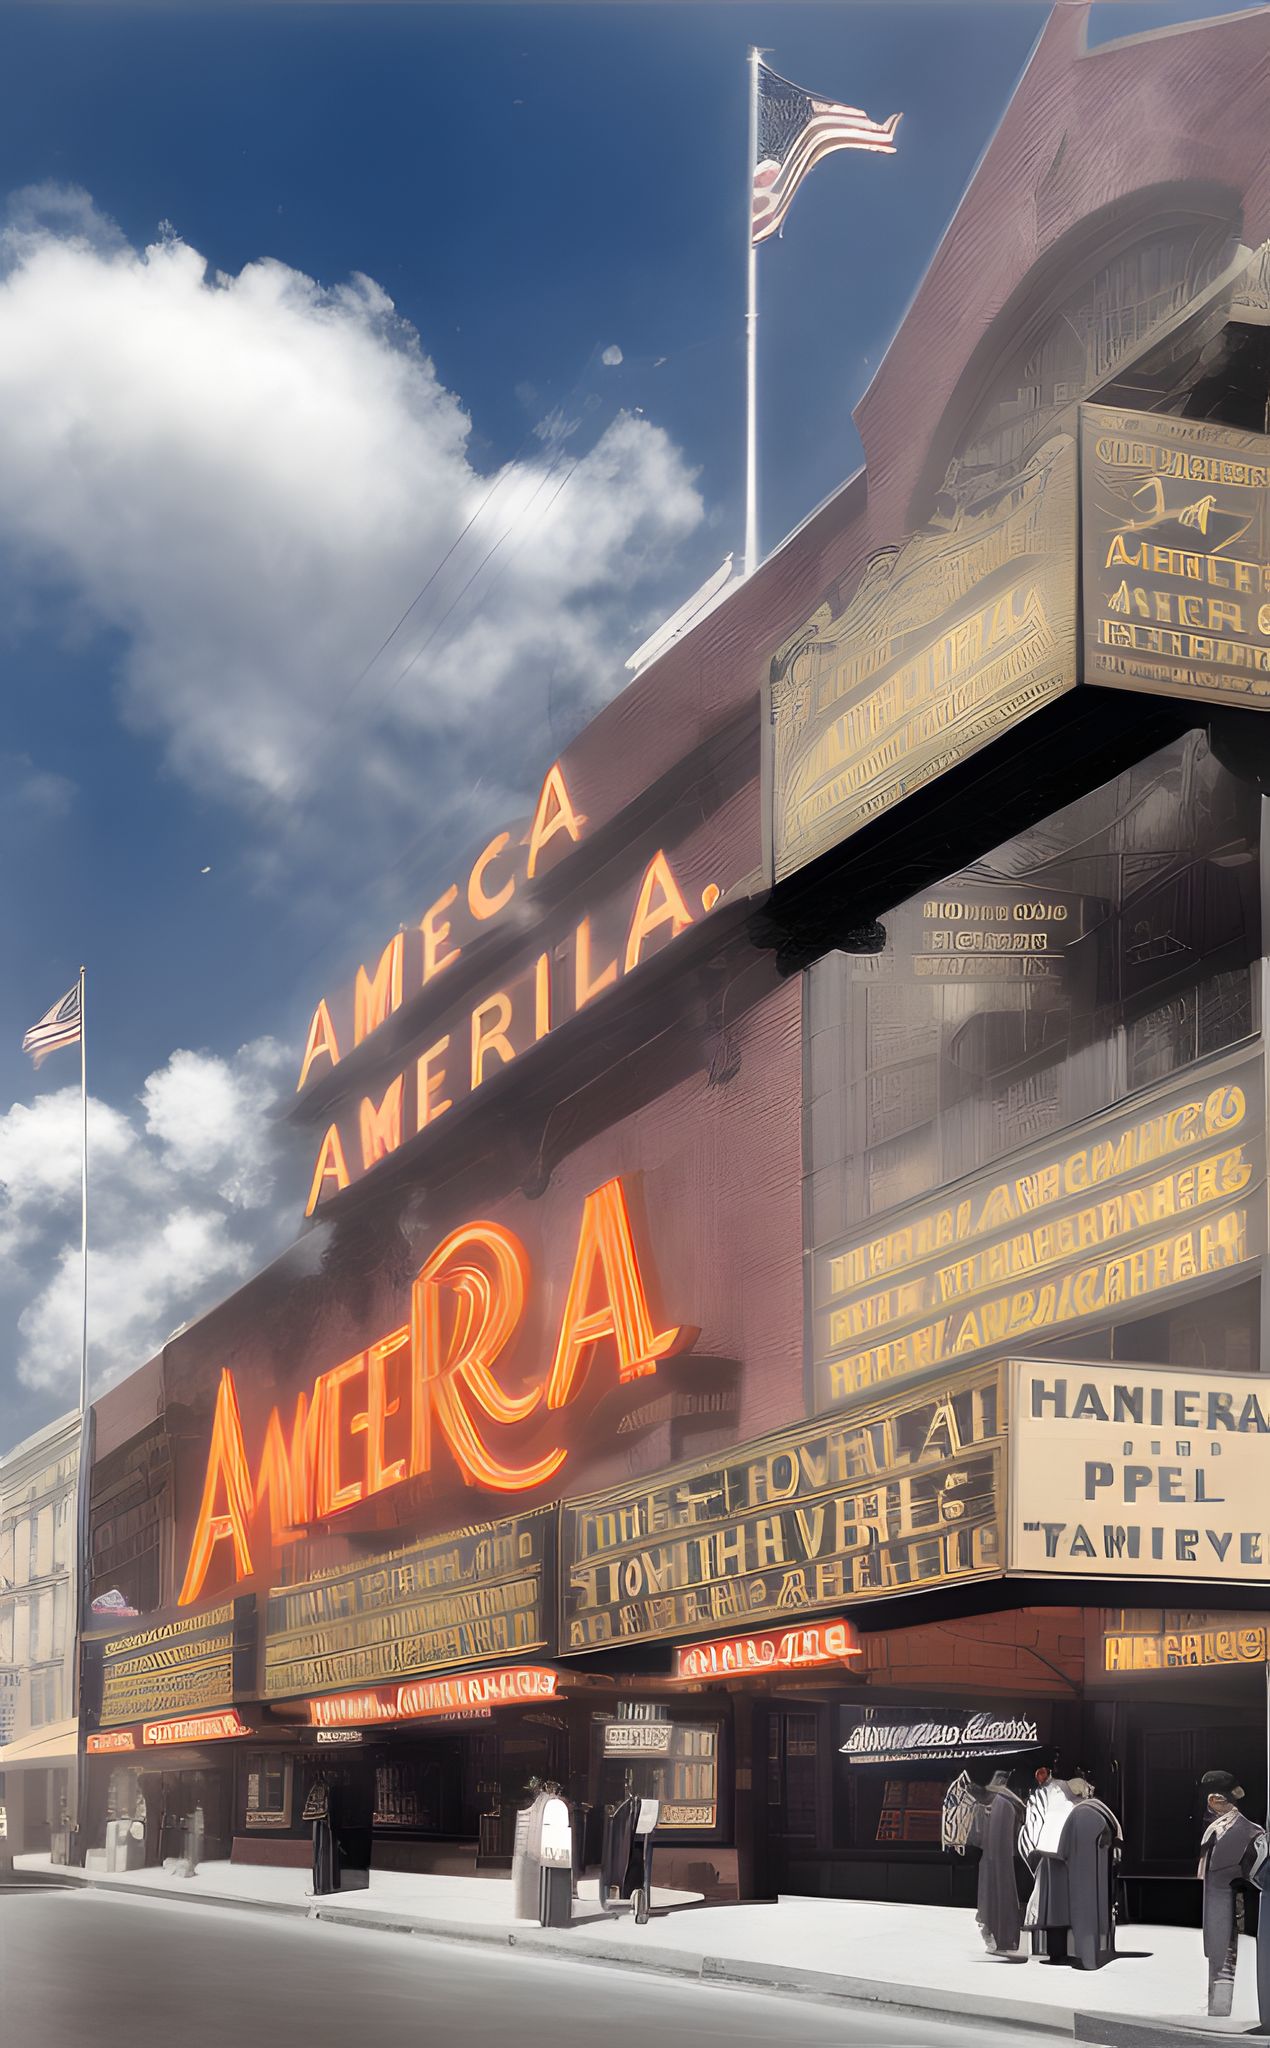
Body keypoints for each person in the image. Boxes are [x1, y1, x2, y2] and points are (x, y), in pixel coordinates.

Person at [1198, 1769, 1267, 2017]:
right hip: (1216, 1906)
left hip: (1228, 1906)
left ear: (1215, 1800)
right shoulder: (1216, 1829)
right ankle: (1218, 2007)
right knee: (1217, 1953)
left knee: (1224, 1955)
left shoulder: (1251, 1832)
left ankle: (1220, 2008)